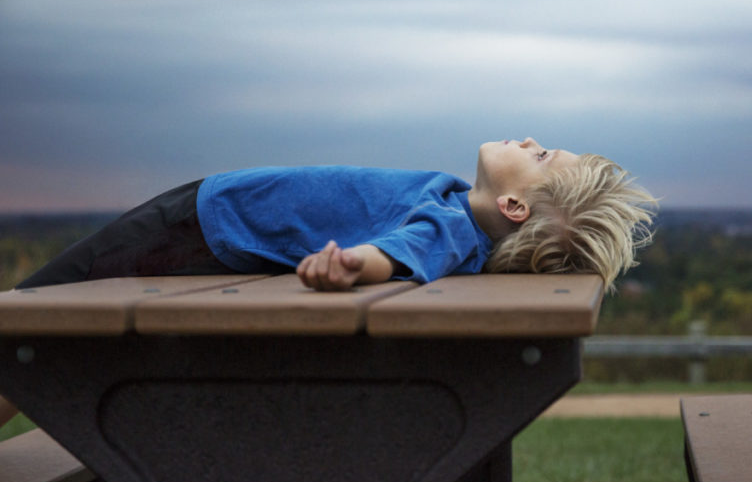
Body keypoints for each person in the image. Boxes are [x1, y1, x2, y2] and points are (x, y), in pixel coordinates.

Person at [15, 138, 657, 293]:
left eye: (541, 155)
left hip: (208, 221)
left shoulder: (451, 229)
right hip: (213, 219)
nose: (528, 141)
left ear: (514, 206)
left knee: (35, 310)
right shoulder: (458, 212)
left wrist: (353, 266)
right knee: (39, 330)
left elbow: (402, 252)